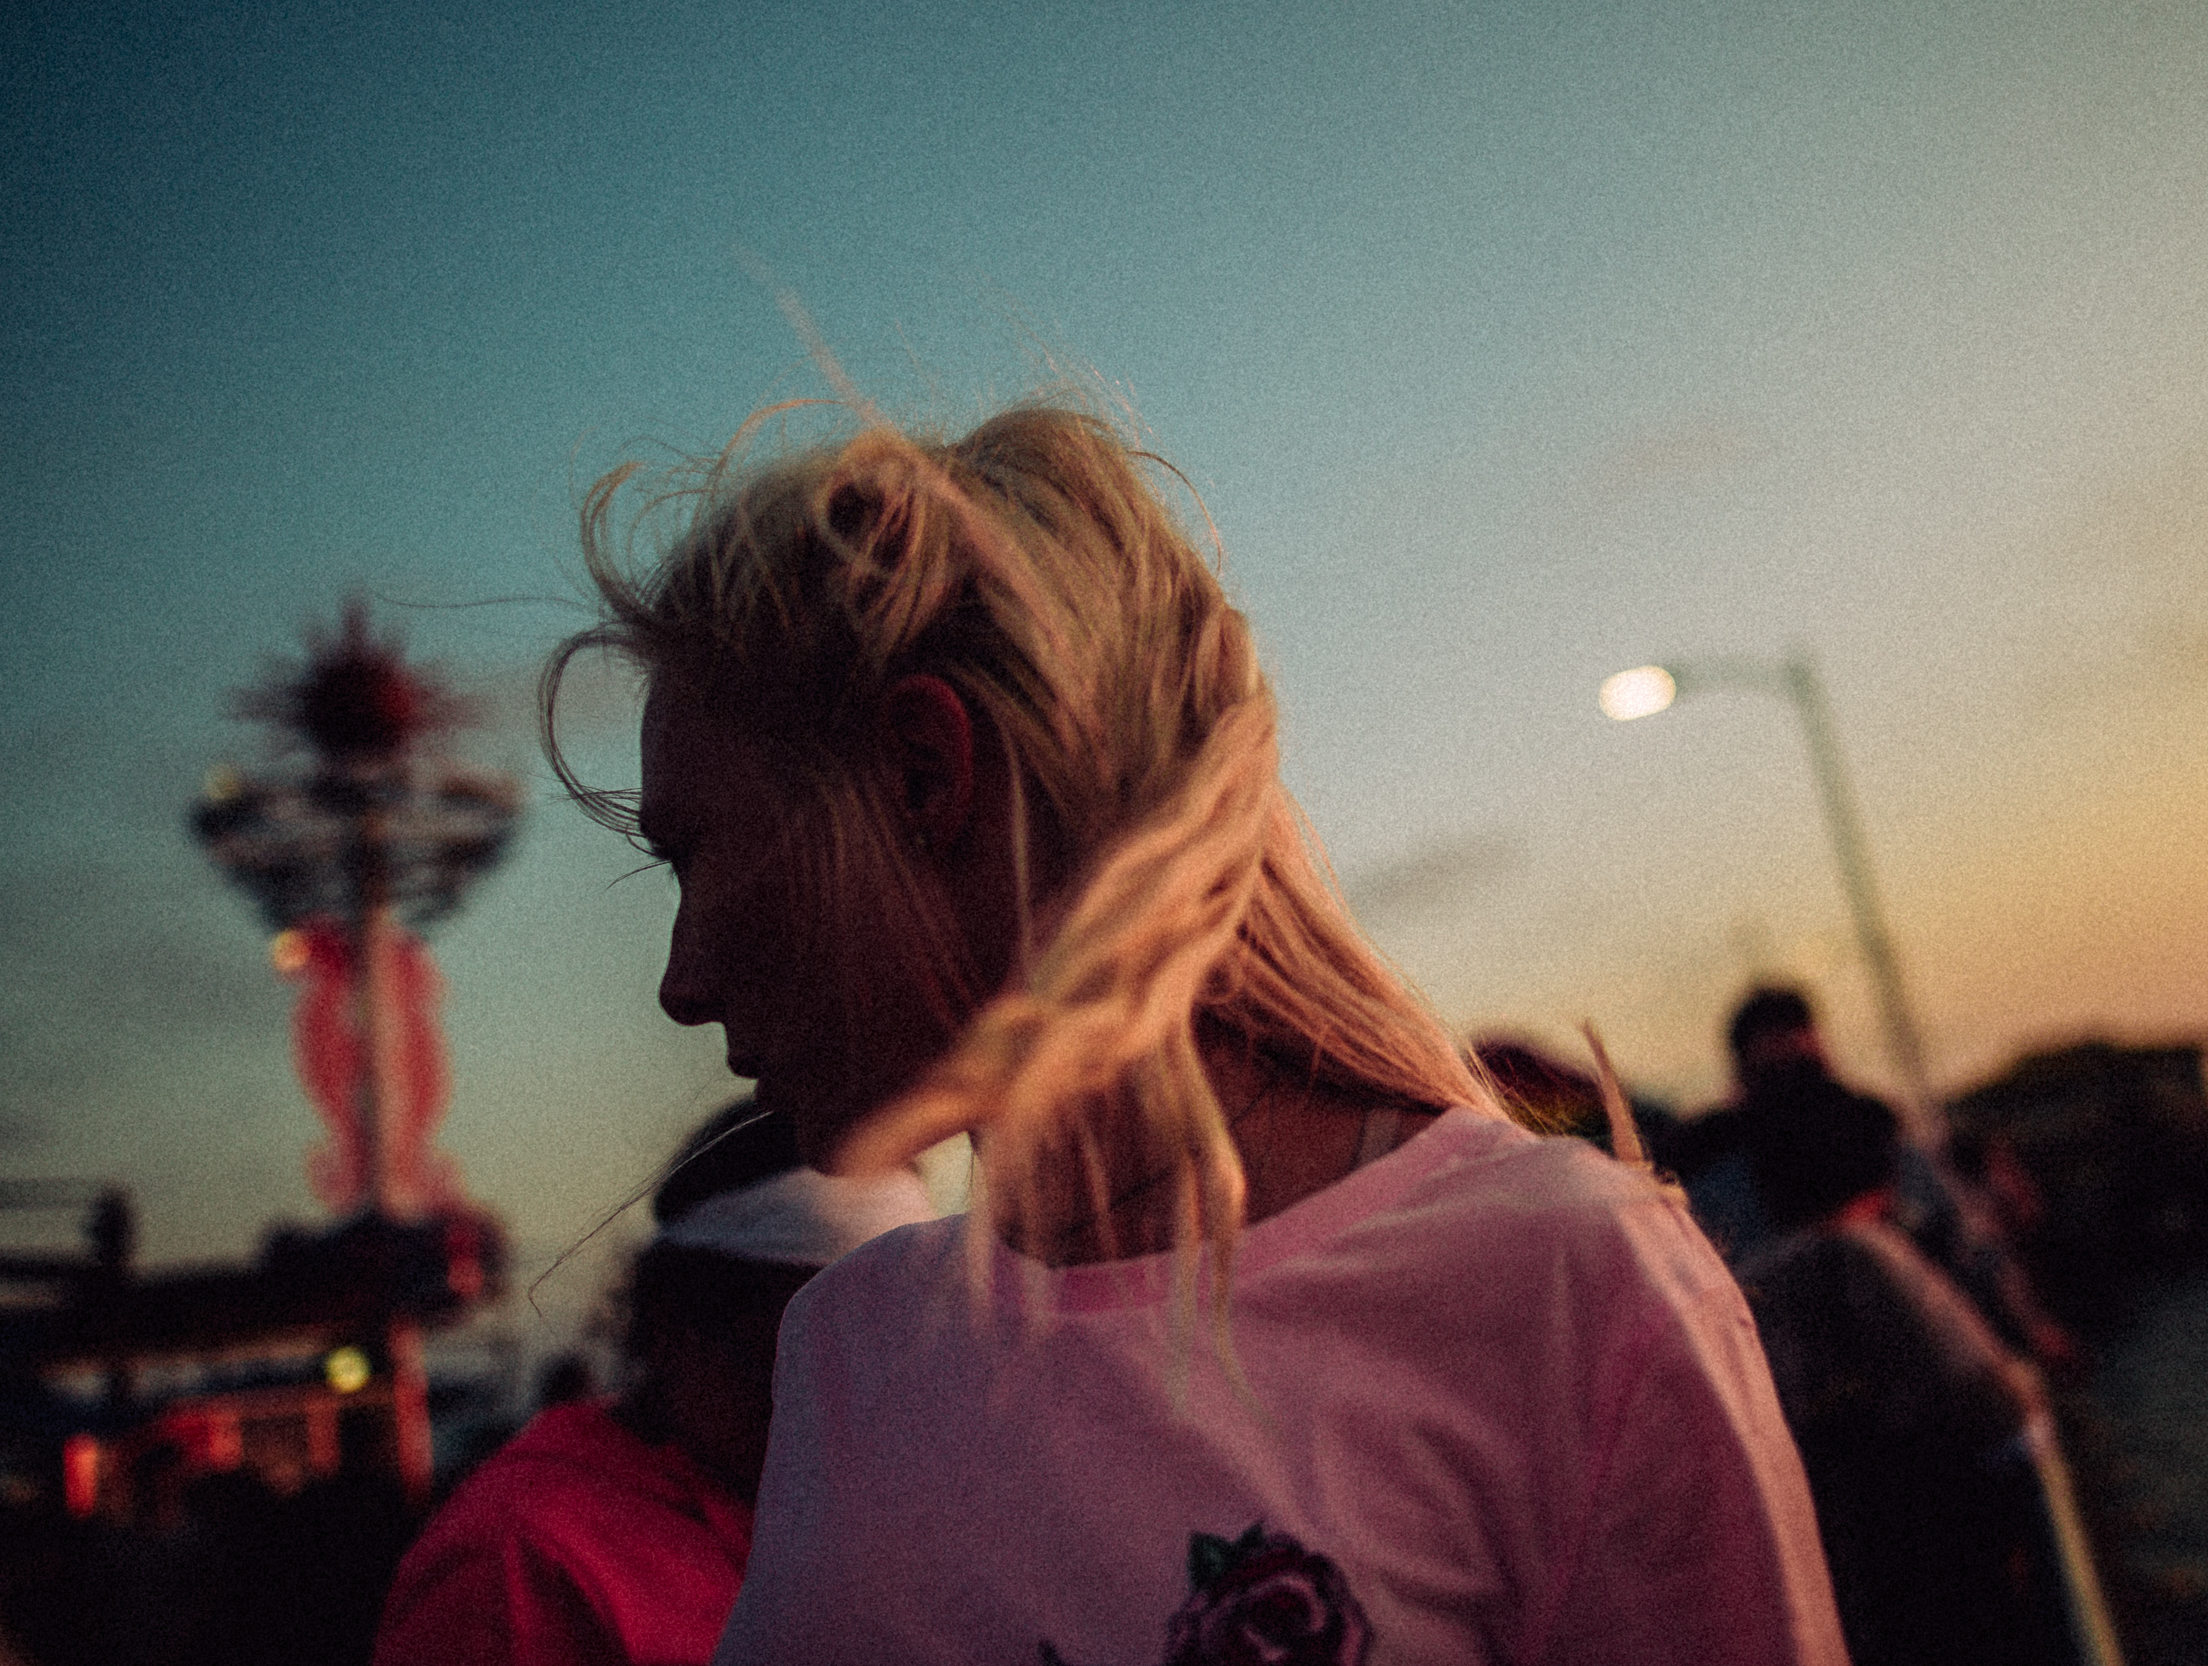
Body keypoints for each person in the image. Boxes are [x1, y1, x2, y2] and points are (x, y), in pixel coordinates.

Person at [542, 398, 1846, 1665]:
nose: (680, 981)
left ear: (924, 772)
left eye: (692, 854)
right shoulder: (848, 1347)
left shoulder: (1563, 1285)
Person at [372, 1102, 936, 1666]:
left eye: (908, 1350)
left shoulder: (858, 1527)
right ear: (671, 1325)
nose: (870, 1401)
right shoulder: (523, 1565)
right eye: (820, 1356)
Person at [1736, 1083, 2066, 1666]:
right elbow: (1995, 1402)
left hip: (1843, 1574)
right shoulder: (1870, 1254)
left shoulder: (1751, 1287)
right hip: (1938, 1548)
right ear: (1881, 1168)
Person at [1671, 985, 2076, 1370]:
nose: (1798, 1094)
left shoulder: (1874, 1129)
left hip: (1928, 1351)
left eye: (1803, 1070)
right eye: (1778, 1072)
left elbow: (1959, 1236)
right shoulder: (1715, 1167)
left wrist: (2032, 1327)